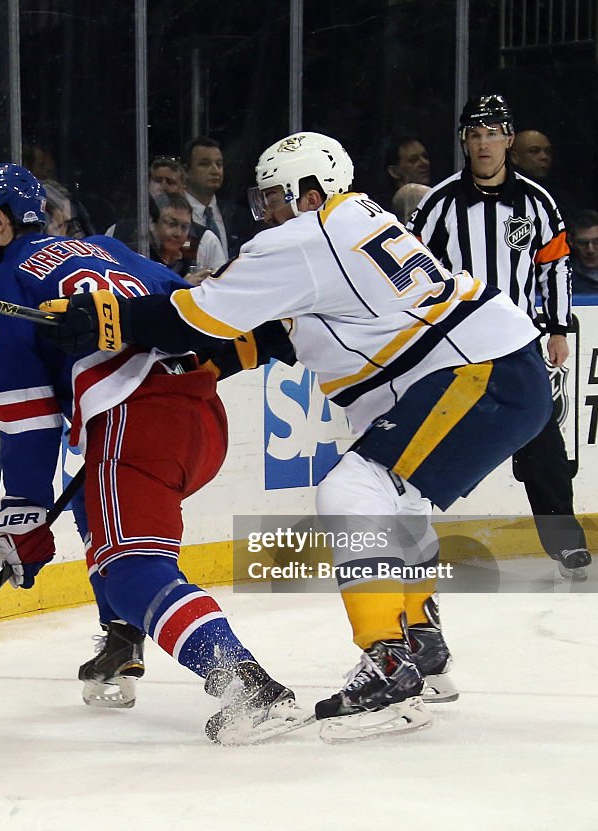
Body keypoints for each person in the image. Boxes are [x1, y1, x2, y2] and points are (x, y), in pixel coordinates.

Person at [40, 131, 553, 742]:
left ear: (310, 191)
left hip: (476, 371)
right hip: (490, 368)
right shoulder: (353, 224)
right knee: (396, 506)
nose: (267, 214)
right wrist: (210, 362)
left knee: (349, 494)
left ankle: (390, 666)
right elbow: (284, 331)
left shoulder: (306, 237)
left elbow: (193, 315)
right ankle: (421, 647)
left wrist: (108, 318)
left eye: (275, 198)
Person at [0, 162, 306, 744]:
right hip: (200, 416)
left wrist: (22, 515)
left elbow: (30, 421)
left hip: (136, 425)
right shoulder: (105, 249)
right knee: (95, 509)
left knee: (132, 568)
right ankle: (122, 639)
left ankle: (248, 687)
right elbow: (195, 311)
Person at [408, 94, 592, 581]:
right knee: (424, 440)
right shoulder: (438, 204)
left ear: (509, 139)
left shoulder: (536, 201)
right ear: (464, 142)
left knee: (543, 445)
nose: (483, 143)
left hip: (517, 345)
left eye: (492, 133)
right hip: (454, 347)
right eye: (474, 134)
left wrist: (556, 327)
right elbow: (408, 271)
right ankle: (407, 539)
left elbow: (554, 267)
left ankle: (566, 545)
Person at [182, 136, 255, 259]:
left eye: (219, 164)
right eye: (205, 164)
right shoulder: (175, 215)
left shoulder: (240, 217)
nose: (215, 170)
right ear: (186, 171)